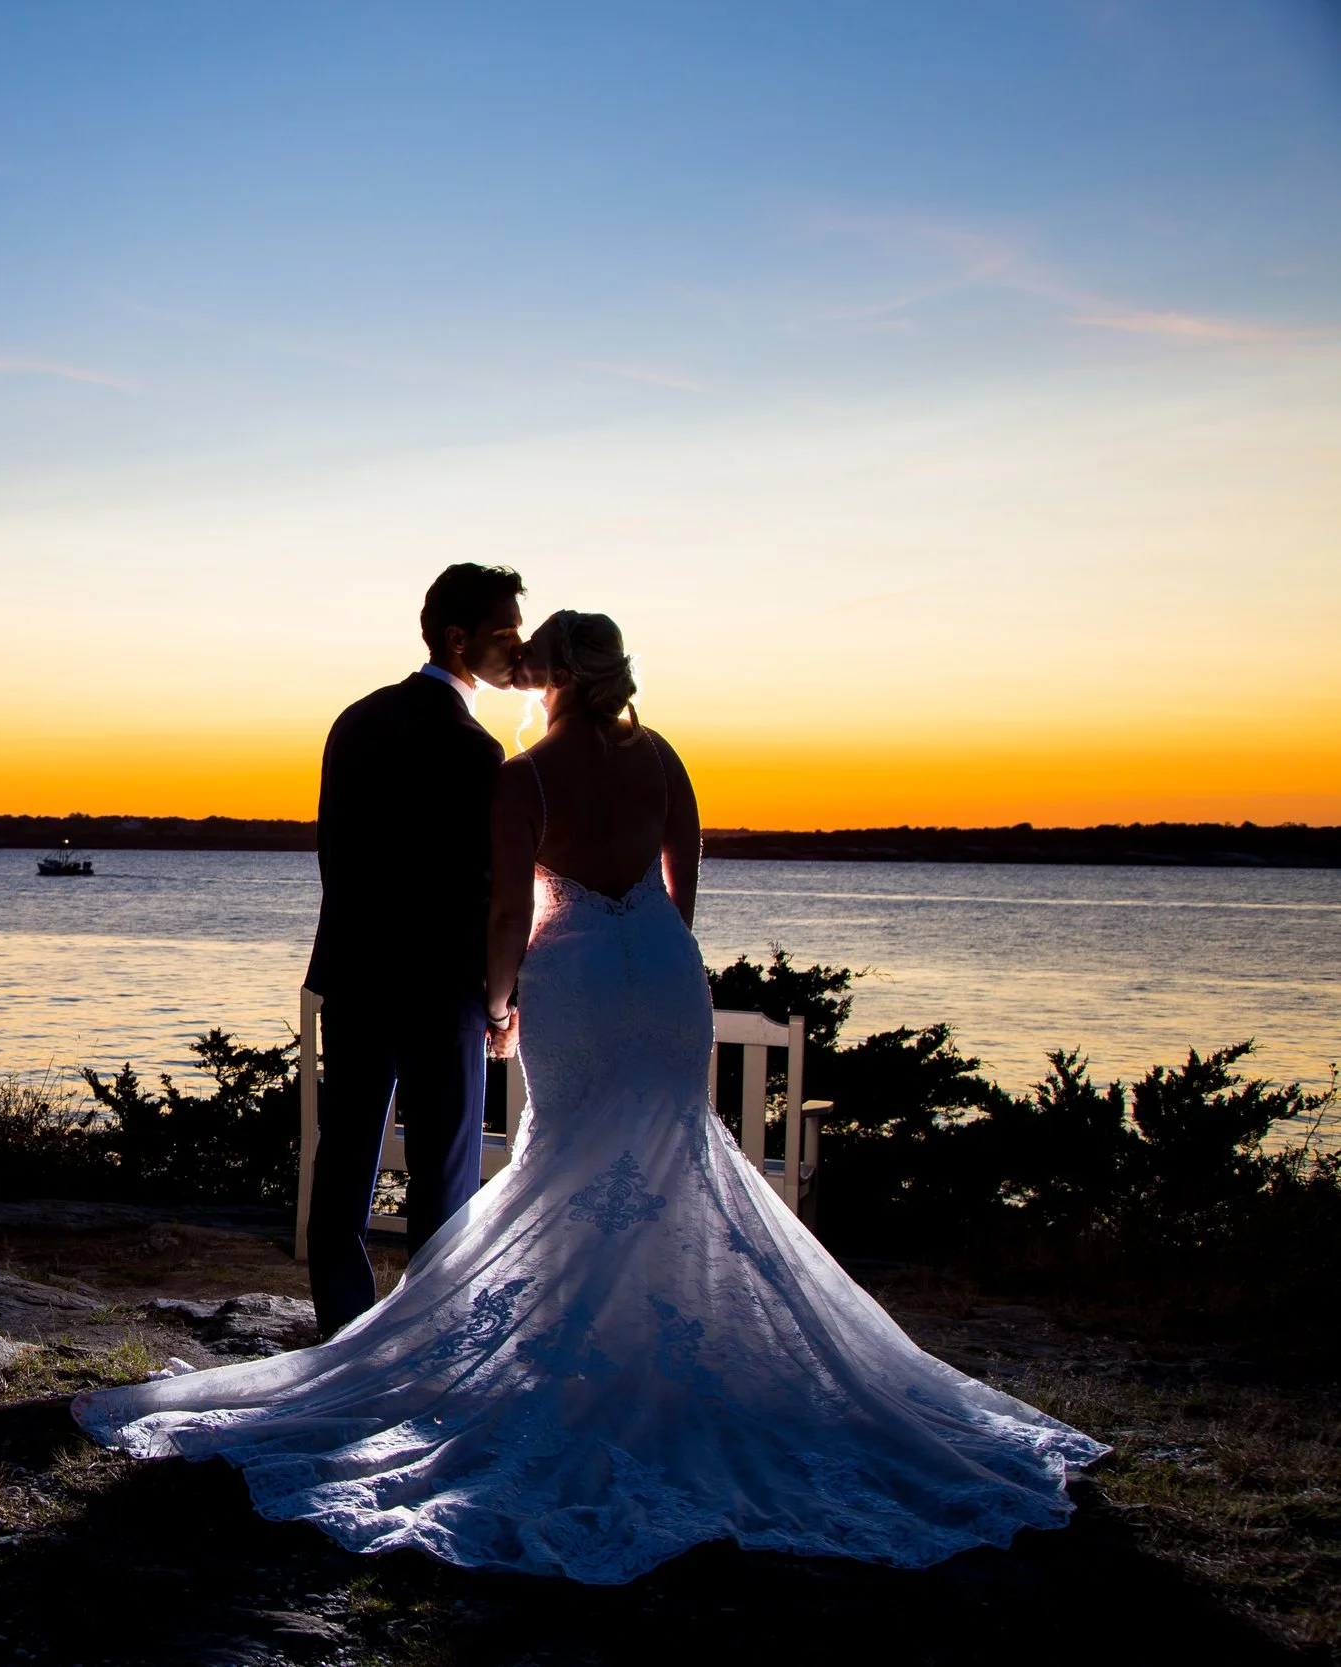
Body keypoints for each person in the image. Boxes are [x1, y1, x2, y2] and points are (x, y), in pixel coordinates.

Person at [74, 610, 1106, 1583]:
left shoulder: (523, 776)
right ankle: (650, 1359)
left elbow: (508, 910)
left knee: (568, 1160)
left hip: (570, 977)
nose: (522, 676)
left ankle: (572, 1364)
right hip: (662, 972)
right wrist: (647, 949)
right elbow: (683, 885)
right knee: (672, 1156)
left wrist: (499, 1001)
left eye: (536, 667)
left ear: (560, 677)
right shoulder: (663, 758)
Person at [299, 562, 524, 1339]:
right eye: (505, 632)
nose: (518, 647)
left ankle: (343, 1331)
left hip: (357, 974)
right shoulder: (475, 750)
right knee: (444, 1176)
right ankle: (431, 1338)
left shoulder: (354, 721)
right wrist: (501, 1000)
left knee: (344, 1161)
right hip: (441, 987)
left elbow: (335, 856)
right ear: (458, 639)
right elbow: (485, 890)